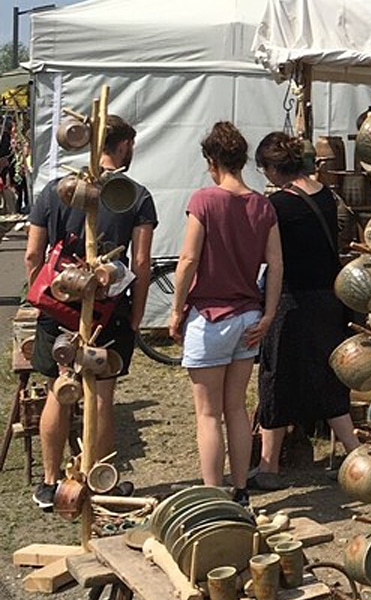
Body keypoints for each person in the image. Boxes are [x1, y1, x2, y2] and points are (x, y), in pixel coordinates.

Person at [25, 115, 156, 509]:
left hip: (58, 305)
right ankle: (99, 481)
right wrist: (136, 318)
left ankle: (50, 485)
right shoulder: (136, 195)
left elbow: (33, 252)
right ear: (122, 145)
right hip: (110, 309)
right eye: (130, 144)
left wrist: (46, 293)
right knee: (101, 394)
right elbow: (143, 262)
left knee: (58, 389)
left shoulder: (55, 189)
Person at [169, 122, 282, 507]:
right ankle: (240, 489)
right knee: (236, 406)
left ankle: (213, 495)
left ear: (212, 161)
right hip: (249, 316)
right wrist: (267, 314)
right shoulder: (263, 204)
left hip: (211, 316)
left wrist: (175, 309)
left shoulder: (204, 200)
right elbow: (276, 265)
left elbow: (188, 259)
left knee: (207, 413)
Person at [251, 132, 360, 490]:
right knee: (329, 376)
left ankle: (268, 467)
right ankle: (356, 454)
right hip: (329, 298)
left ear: (272, 168)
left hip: (291, 301)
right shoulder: (326, 195)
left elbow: (269, 258)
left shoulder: (278, 206)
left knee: (276, 377)